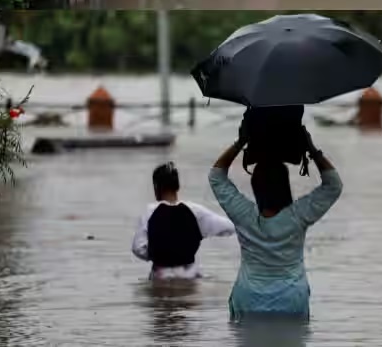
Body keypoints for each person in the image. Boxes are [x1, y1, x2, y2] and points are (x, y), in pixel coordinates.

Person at [209, 128, 342, 322]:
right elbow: (333, 185)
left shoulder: (244, 214)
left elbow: (216, 176)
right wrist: (312, 150)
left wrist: (240, 143)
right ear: (285, 186)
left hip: (249, 300)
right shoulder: (298, 215)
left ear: (256, 187)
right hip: (291, 301)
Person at [132, 162, 235, 280]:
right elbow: (230, 227)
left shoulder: (149, 212)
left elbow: (138, 248)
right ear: (178, 186)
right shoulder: (196, 211)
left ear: (156, 187)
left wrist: (156, 254)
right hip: (189, 274)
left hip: (160, 275)